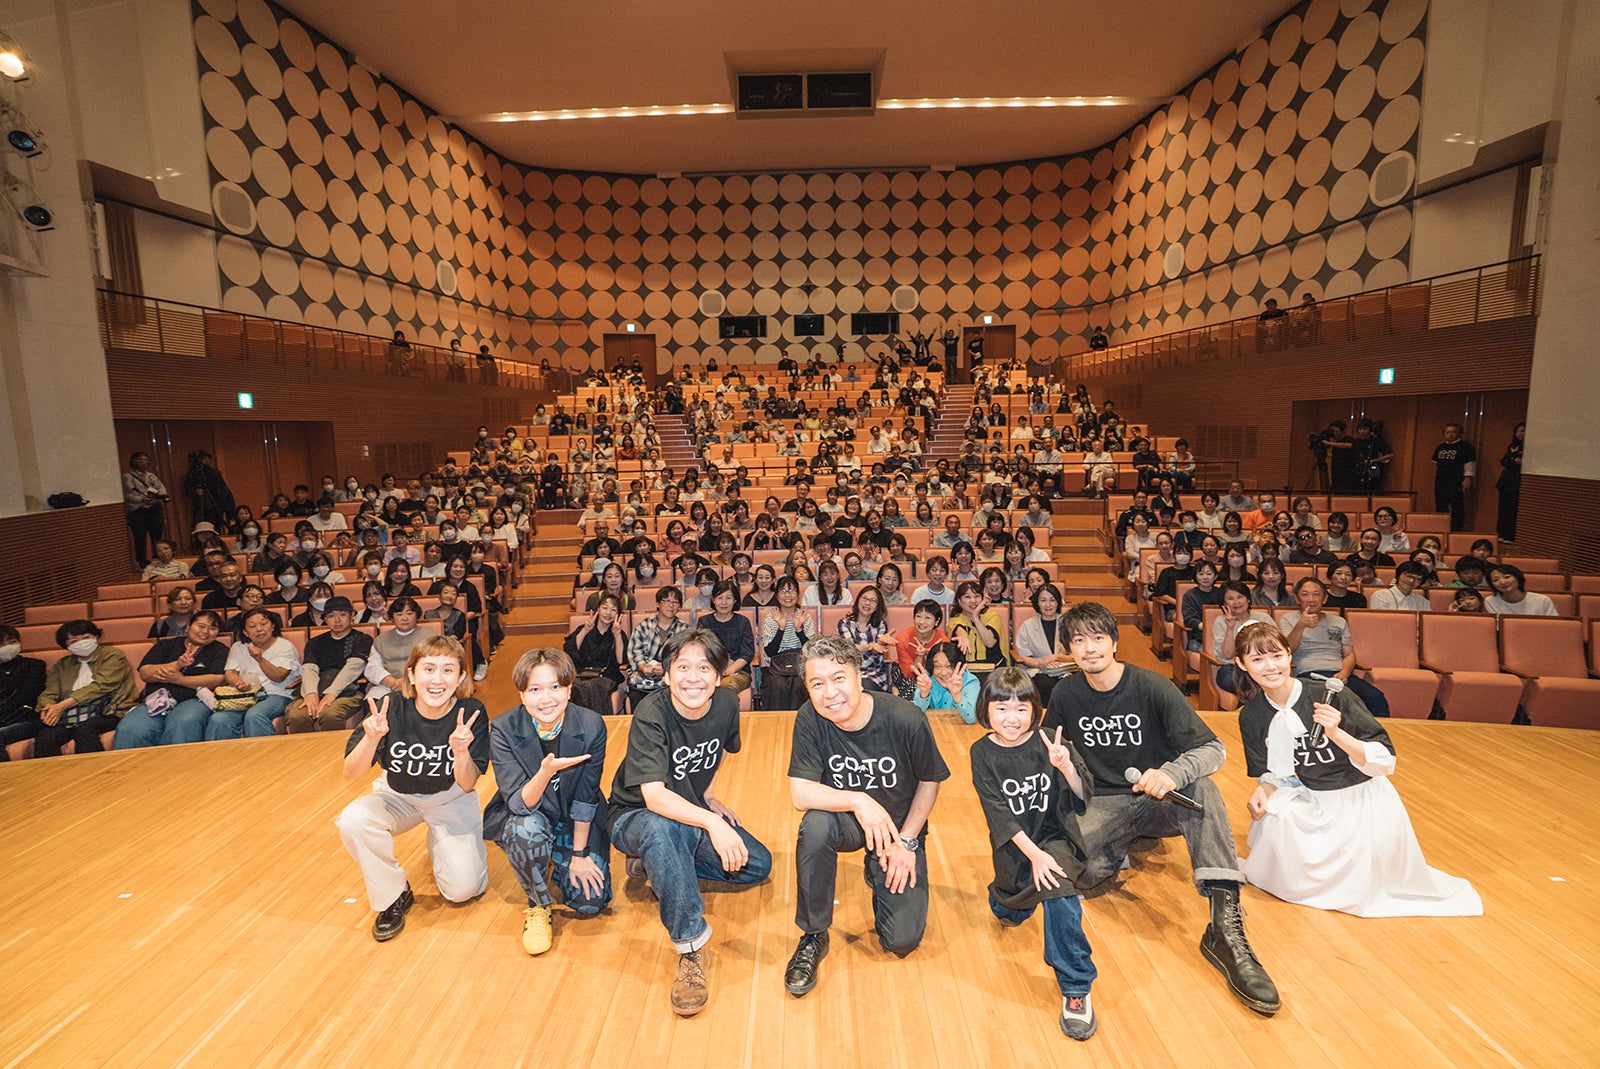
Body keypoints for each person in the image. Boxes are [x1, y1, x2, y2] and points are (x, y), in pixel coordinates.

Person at [1043, 601, 1281, 1016]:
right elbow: (1050, 751)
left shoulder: (1152, 686)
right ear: (1069, 649)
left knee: (1202, 789)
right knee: (1069, 876)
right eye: (1079, 640)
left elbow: (1213, 749)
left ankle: (1225, 929)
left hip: (1158, 800)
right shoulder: (1066, 693)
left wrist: (1171, 772)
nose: (1090, 648)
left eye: (1098, 637)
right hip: (1104, 802)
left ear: (1114, 642)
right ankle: (1116, 848)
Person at [1230, 622, 1482, 916]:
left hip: (1362, 798)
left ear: (1289, 654)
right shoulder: (1251, 715)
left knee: (1360, 885)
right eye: (1257, 659)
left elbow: (1384, 759)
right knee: (1276, 816)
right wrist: (1262, 790)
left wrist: (1336, 733)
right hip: (1315, 797)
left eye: (1277, 656)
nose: (1270, 667)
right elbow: (1274, 773)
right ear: (1242, 664)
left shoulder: (1330, 694)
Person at [606, 629, 772, 1016]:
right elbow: (654, 797)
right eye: (682, 667)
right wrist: (713, 823)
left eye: (704, 668)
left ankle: (658, 862)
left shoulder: (727, 703)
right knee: (662, 828)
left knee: (756, 865)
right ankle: (690, 948)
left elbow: (724, 748)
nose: (693, 678)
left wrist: (708, 795)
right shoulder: (651, 713)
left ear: (718, 675)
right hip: (632, 816)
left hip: (686, 812)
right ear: (666, 675)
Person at [783, 635, 950, 997]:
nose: (830, 693)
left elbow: (929, 780)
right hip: (847, 820)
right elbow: (800, 793)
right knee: (815, 825)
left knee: (901, 940)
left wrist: (907, 841)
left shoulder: (905, 718)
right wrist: (858, 800)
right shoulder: (810, 718)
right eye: (817, 683)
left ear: (859, 677)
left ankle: (878, 866)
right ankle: (813, 934)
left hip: (898, 829)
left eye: (838, 678)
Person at [969, 667, 1099, 1040]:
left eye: (1021, 709)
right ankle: (1007, 899)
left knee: (1060, 893)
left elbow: (1082, 795)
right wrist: (1034, 857)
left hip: (1055, 838)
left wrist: (1066, 765)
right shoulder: (982, 753)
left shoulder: (1051, 742)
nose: (1012, 718)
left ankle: (1076, 986)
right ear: (986, 709)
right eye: (1002, 708)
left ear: (1034, 710)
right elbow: (1000, 816)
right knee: (1009, 910)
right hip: (1016, 850)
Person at [336, 636, 490, 942]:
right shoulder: (390, 706)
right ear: (412, 674)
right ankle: (394, 894)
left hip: (450, 798)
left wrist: (461, 751)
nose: (437, 679)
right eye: (428, 669)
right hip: (397, 795)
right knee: (353, 820)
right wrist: (372, 739)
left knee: (464, 890)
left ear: (461, 677)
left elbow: (467, 782)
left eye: (448, 670)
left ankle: (439, 837)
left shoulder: (470, 711)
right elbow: (350, 773)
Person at [483, 647, 611, 956]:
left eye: (555, 687)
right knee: (526, 829)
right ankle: (538, 904)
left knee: (591, 902)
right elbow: (518, 805)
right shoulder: (503, 729)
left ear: (569, 689)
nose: (546, 698)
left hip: (572, 818)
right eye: (535, 689)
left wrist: (580, 855)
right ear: (522, 694)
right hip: (528, 817)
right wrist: (545, 772)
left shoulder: (591, 725)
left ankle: (556, 858)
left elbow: (586, 797)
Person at [114, 611, 229, 748]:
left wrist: (180, 680)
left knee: (183, 722)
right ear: (188, 627)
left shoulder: (220, 650)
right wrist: (178, 665)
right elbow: (145, 673)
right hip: (157, 699)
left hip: (194, 699)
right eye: (201, 626)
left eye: (213, 628)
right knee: (131, 728)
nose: (205, 632)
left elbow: (218, 679)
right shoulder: (165, 645)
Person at [1280, 578, 1392, 717]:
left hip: (1339, 674)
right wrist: (1300, 625)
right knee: (1332, 700)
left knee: (1375, 697)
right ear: (1297, 599)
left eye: (1316, 594)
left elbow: (1349, 654)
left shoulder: (1339, 621)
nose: (1311, 599)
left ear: (1325, 599)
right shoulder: (1287, 619)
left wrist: (1345, 672)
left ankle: (1377, 731)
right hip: (1308, 674)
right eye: (1305, 594)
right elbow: (1288, 650)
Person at [32, 620, 139, 757]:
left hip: (109, 711)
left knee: (85, 730)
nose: (81, 643)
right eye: (74, 641)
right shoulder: (62, 664)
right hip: (69, 715)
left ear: (96, 637)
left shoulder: (113, 655)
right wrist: (49, 707)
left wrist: (63, 705)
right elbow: (50, 692)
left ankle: (96, 768)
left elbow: (103, 685)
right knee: (46, 737)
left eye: (86, 637)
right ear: (66, 646)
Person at [286, 596, 374, 733]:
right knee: (296, 715)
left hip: (348, 691)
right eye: (331, 616)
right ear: (325, 619)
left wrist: (331, 694)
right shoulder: (315, 642)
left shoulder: (362, 639)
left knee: (330, 714)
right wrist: (311, 694)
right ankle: (306, 747)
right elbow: (309, 668)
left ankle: (335, 748)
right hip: (317, 687)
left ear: (352, 616)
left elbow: (352, 668)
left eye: (343, 615)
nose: (337, 620)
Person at [213, 607, 301, 739]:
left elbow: (278, 676)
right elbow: (230, 672)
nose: (259, 629)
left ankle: (263, 752)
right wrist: (238, 683)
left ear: (272, 626)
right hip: (244, 695)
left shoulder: (285, 646)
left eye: (263, 624)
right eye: (252, 626)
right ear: (245, 632)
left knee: (255, 715)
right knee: (219, 720)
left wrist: (260, 659)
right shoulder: (238, 647)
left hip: (277, 695)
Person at [760, 576, 817, 710]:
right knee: (777, 685)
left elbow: (811, 650)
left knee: (799, 685)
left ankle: (799, 722)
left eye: (791, 591)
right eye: (783, 591)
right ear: (777, 595)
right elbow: (770, 652)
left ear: (798, 595)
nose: (788, 595)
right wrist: (781, 629)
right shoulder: (771, 618)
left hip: (800, 664)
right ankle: (777, 722)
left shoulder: (805, 617)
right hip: (776, 667)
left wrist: (799, 630)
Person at [1013, 583, 1076, 705]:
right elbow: (1024, 657)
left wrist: (1058, 657)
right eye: (1043, 600)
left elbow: (1076, 655)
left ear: (1058, 602)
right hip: (1039, 670)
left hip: (1066, 668)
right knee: (1047, 684)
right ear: (1037, 603)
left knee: (1073, 682)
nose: (1048, 605)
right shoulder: (1028, 626)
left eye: (1052, 600)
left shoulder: (1068, 623)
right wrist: (1040, 664)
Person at [564, 593, 629, 711]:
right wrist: (585, 631)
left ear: (618, 615)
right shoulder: (584, 628)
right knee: (576, 686)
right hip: (581, 673)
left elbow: (621, 660)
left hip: (606, 675)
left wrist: (617, 636)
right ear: (598, 609)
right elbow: (570, 650)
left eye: (613, 610)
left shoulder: (618, 633)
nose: (608, 613)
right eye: (605, 608)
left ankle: (597, 719)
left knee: (594, 686)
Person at [698, 580, 754, 694]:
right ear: (713, 600)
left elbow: (747, 653)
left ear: (735, 600)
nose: (724, 602)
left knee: (727, 687)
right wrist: (719, 667)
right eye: (719, 598)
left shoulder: (743, 622)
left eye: (728, 598)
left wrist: (731, 669)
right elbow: (701, 650)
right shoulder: (704, 622)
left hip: (738, 671)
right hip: (711, 670)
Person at [0, 625, 46, 759]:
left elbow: (27, 695)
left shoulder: (34, 665)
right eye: (1, 644)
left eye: (12, 642)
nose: (7, 647)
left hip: (26, 718)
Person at [911, 640, 980, 723]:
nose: (943, 673)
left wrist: (957, 695)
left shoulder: (971, 682)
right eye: (937, 666)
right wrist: (924, 695)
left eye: (949, 666)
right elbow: (914, 716)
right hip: (936, 726)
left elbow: (971, 718)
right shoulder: (927, 679)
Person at [123, 451, 168, 569]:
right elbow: (127, 495)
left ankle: (158, 558)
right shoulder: (128, 477)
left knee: (157, 537)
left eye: (146, 460)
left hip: (153, 509)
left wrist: (156, 498)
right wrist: (142, 499)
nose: (143, 463)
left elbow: (162, 489)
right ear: (134, 461)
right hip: (138, 511)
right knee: (140, 538)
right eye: (140, 460)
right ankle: (142, 563)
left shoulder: (151, 476)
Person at [1431, 423, 1478, 532]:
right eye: (1448, 432)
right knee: (1440, 505)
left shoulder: (1466, 447)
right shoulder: (1440, 447)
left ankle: (1456, 530)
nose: (1450, 434)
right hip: (1441, 481)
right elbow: (1435, 461)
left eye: (1453, 432)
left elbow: (1470, 463)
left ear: (1459, 433)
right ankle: (1441, 528)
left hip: (1457, 480)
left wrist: (1468, 477)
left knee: (1457, 506)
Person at [181, 450, 236, 532]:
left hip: (215, 503)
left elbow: (222, 490)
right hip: (203, 505)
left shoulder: (213, 473)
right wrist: (195, 491)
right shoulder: (193, 474)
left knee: (216, 525)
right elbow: (188, 487)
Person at [1485, 563, 1559, 615]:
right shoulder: (1491, 601)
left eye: (1507, 577)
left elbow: (1553, 625)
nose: (1503, 582)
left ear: (1517, 577)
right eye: (1496, 580)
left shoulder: (1542, 600)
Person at [1496, 422, 1525, 542]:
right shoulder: (1512, 446)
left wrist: (1514, 460)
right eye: (1517, 431)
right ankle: (1501, 534)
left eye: (1523, 431)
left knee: (1513, 509)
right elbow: (1504, 461)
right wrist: (1514, 459)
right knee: (1503, 508)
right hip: (1506, 481)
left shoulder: (1530, 447)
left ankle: (1510, 535)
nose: (1520, 433)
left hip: (1518, 482)